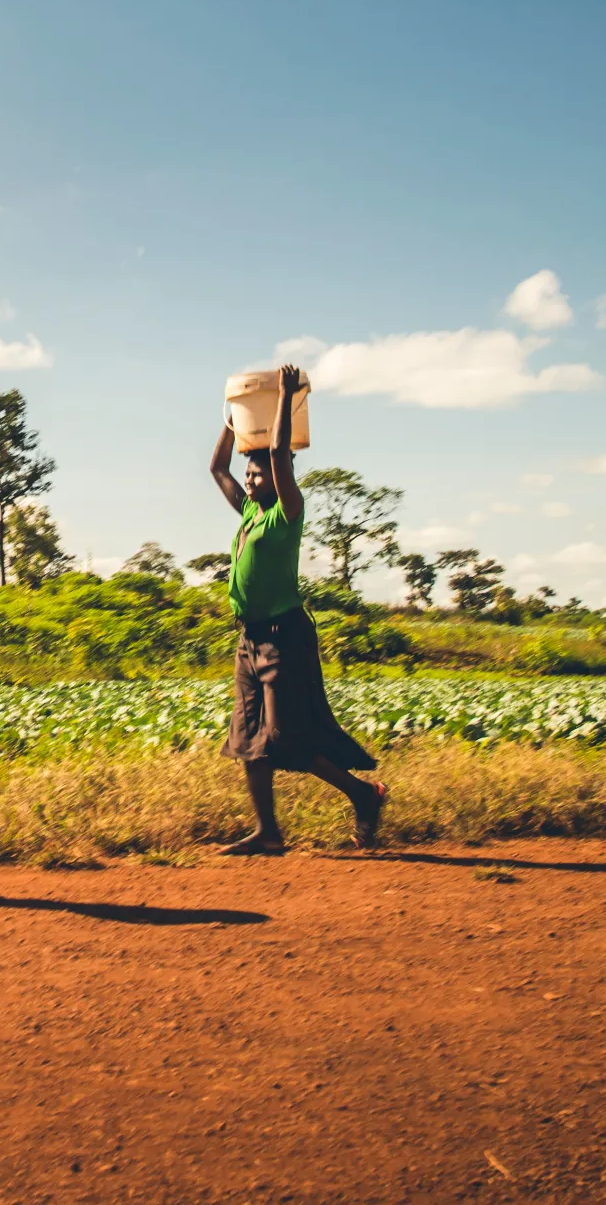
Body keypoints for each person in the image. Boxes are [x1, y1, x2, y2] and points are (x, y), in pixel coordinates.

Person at [207, 363, 386, 855]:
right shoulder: (249, 511)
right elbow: (218, 469)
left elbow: (282, 460)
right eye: (251, 472)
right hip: (250, 638)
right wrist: (232, 424)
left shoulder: (287, 513)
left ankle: (364, 795)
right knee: (248, 737)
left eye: (258, 471)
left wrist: (284, 398)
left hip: (285, 637)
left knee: (285, 737)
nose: (251, 477)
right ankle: (268, 833)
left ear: (277, 476)